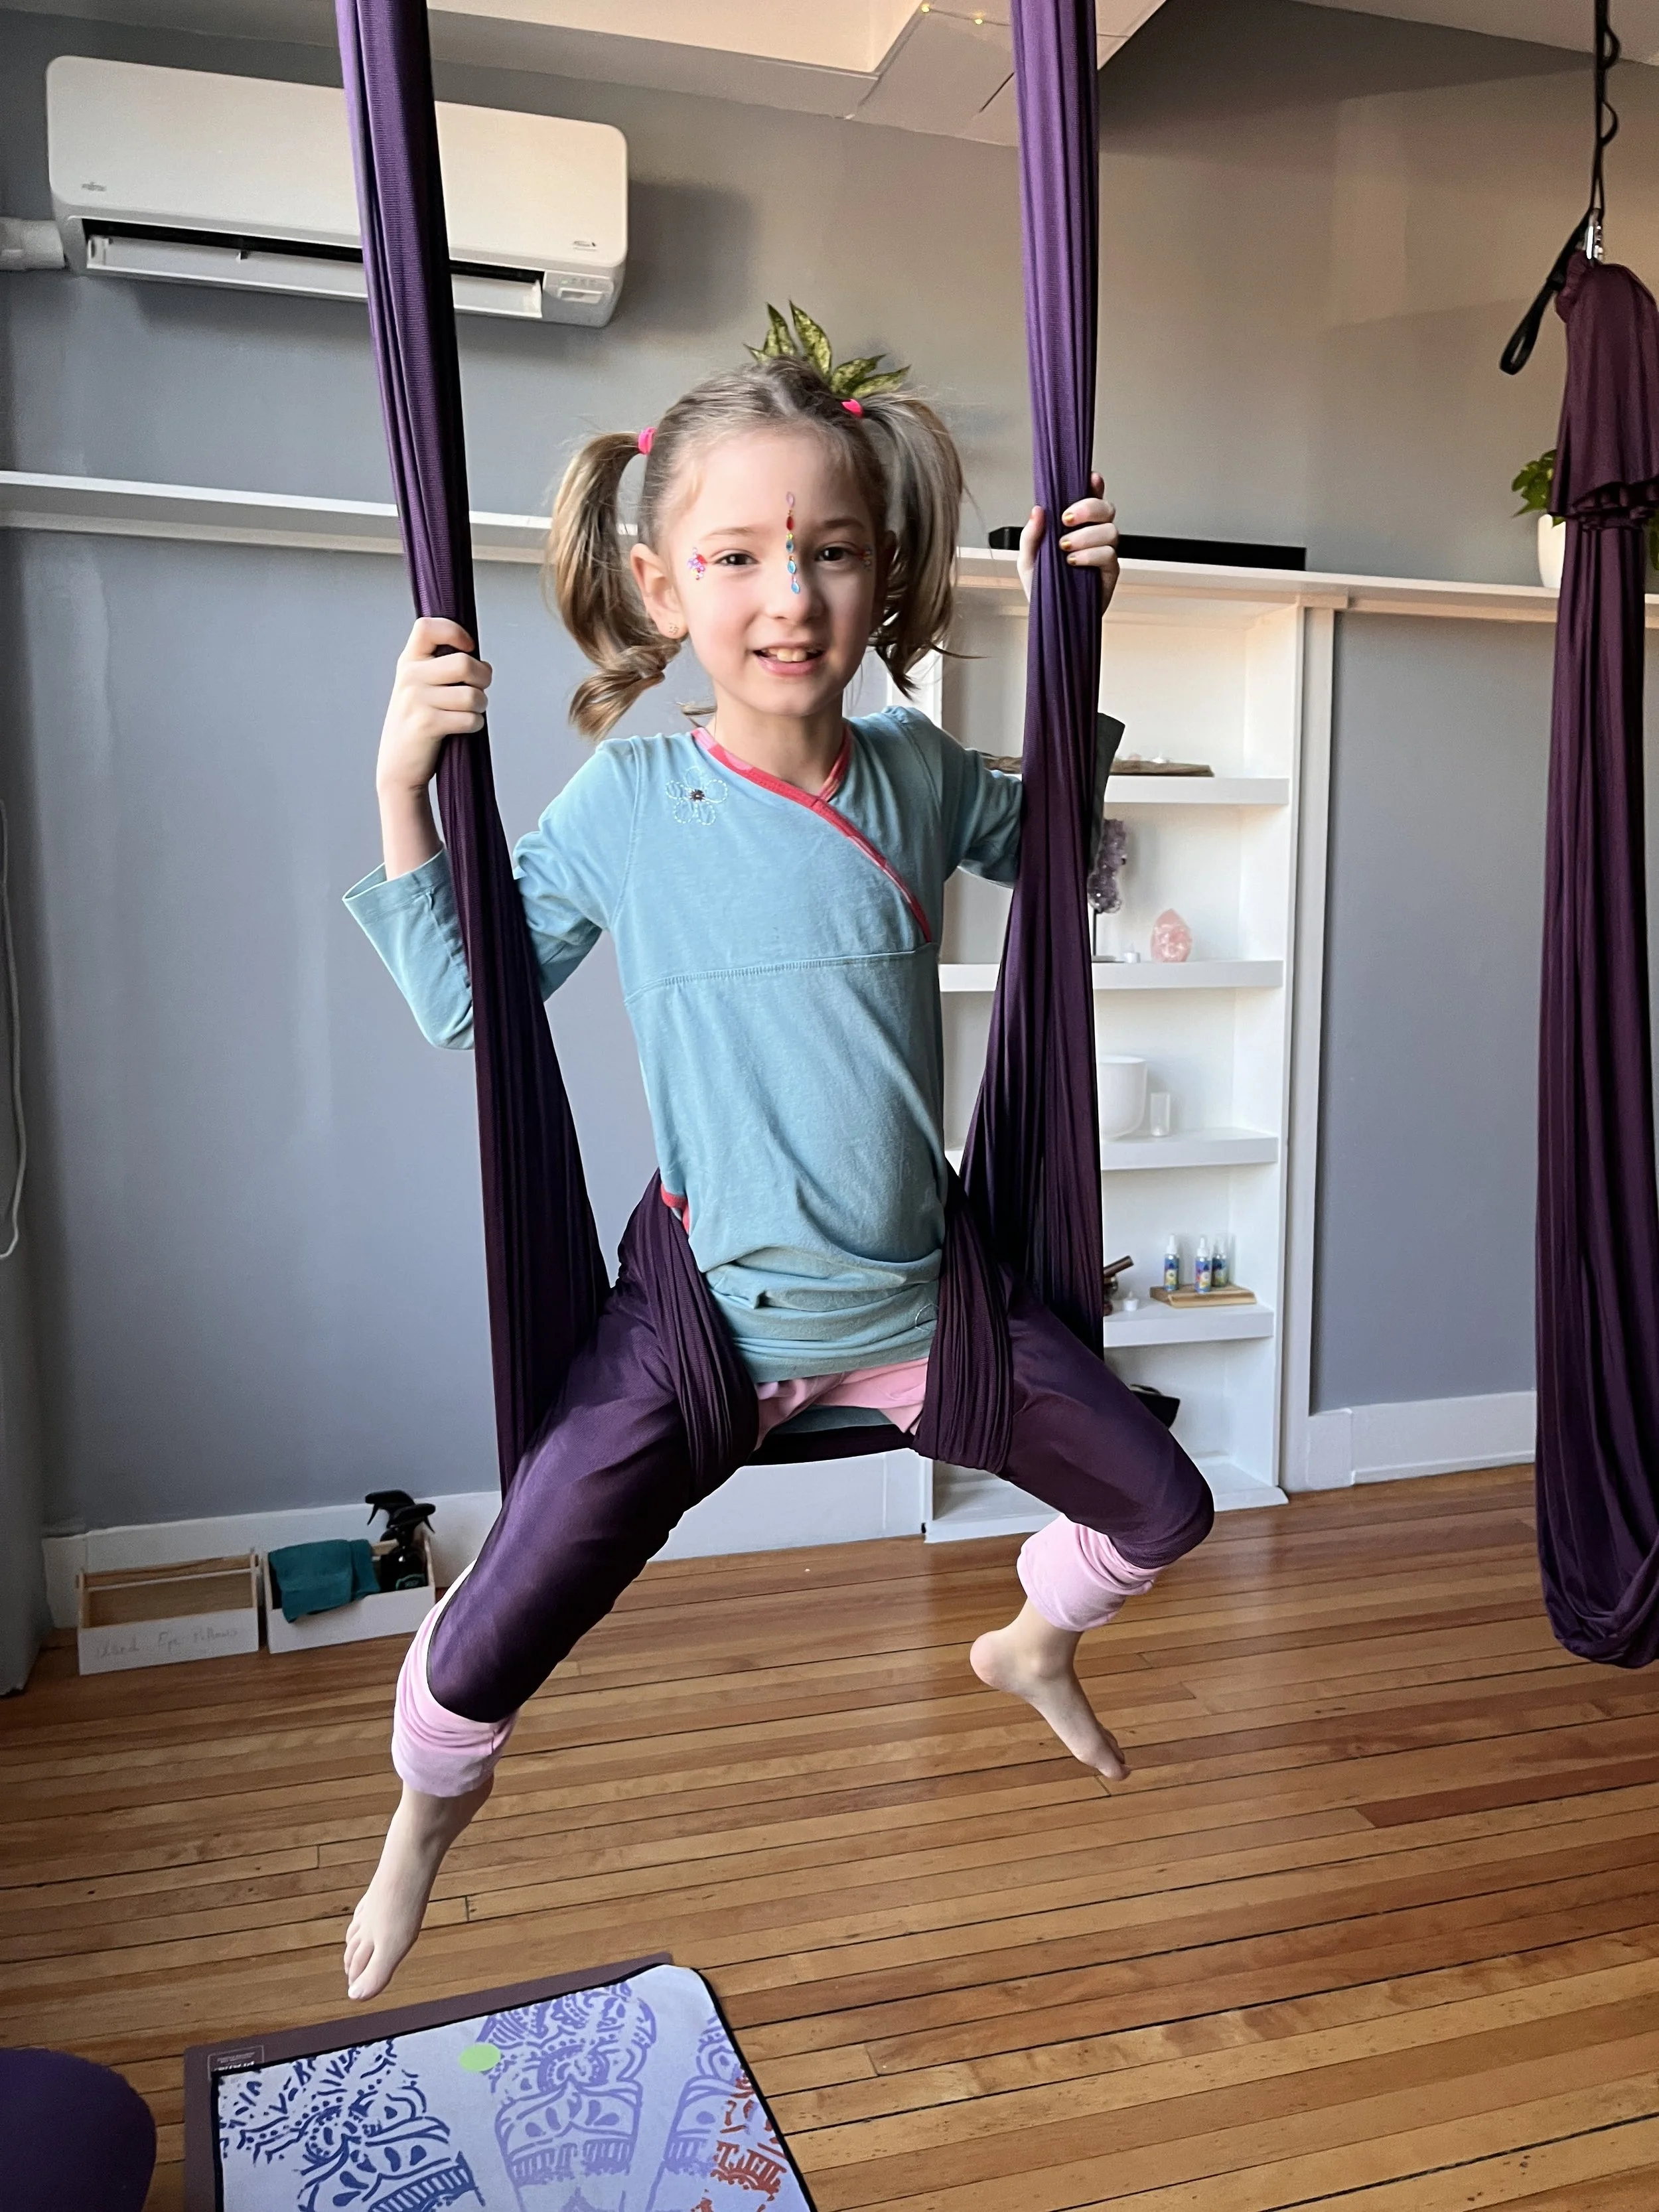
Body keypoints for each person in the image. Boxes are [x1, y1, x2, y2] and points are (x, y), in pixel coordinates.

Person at [340, 356, 1212, 2002]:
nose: (787, 594)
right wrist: (401, 784)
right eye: (735, 556)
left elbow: (1064, 852)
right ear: (662, 589)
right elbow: (469, 994)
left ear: (879, 577)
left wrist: (1069, 623)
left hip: (917, 1303)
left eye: (825, 551)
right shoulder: (631, 802)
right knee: (488, 1633)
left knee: (1164, 1505)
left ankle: (1029, 1638)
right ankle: (423, 1817)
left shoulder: (911, 771)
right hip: (709, 1320)